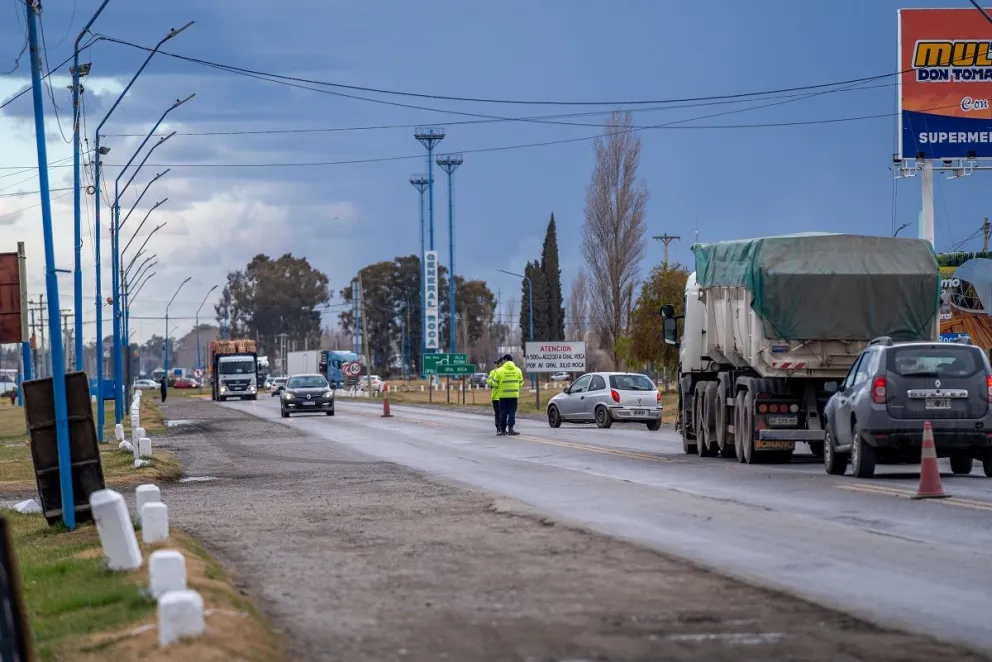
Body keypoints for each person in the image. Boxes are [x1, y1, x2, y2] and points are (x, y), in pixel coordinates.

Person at [495, 353, 522, 436]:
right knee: (512, 412)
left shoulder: (499, 370)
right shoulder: (518, 370)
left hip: (503, 396)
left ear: (505, 360)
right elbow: (521, 382)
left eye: (503, 360)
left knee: (503, 412)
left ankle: (503, 431)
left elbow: (495, 384)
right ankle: (511, 429)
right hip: (513, 395)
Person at [486, 356, 505, 434]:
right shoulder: (493, 372)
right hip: (498, 397)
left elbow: (489, 382)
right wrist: (495, 383)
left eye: (498, 363)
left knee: (500, 413)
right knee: (499, 413)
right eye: (496, 363)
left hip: (501, 396)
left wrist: (494, 383)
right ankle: (499, 427)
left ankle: (501, 428)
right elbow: (489, 382)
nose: (497, 365)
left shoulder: (497, 372)